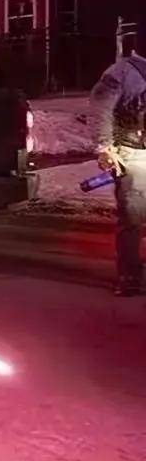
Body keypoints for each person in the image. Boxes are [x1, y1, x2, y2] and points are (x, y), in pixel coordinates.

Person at [90, 18, 146, 296]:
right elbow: (101, 109)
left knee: (132, 219)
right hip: (132, 155)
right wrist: (105, 148)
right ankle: (130, 276)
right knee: (132, 218)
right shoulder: (122, 72)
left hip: (134, 152)